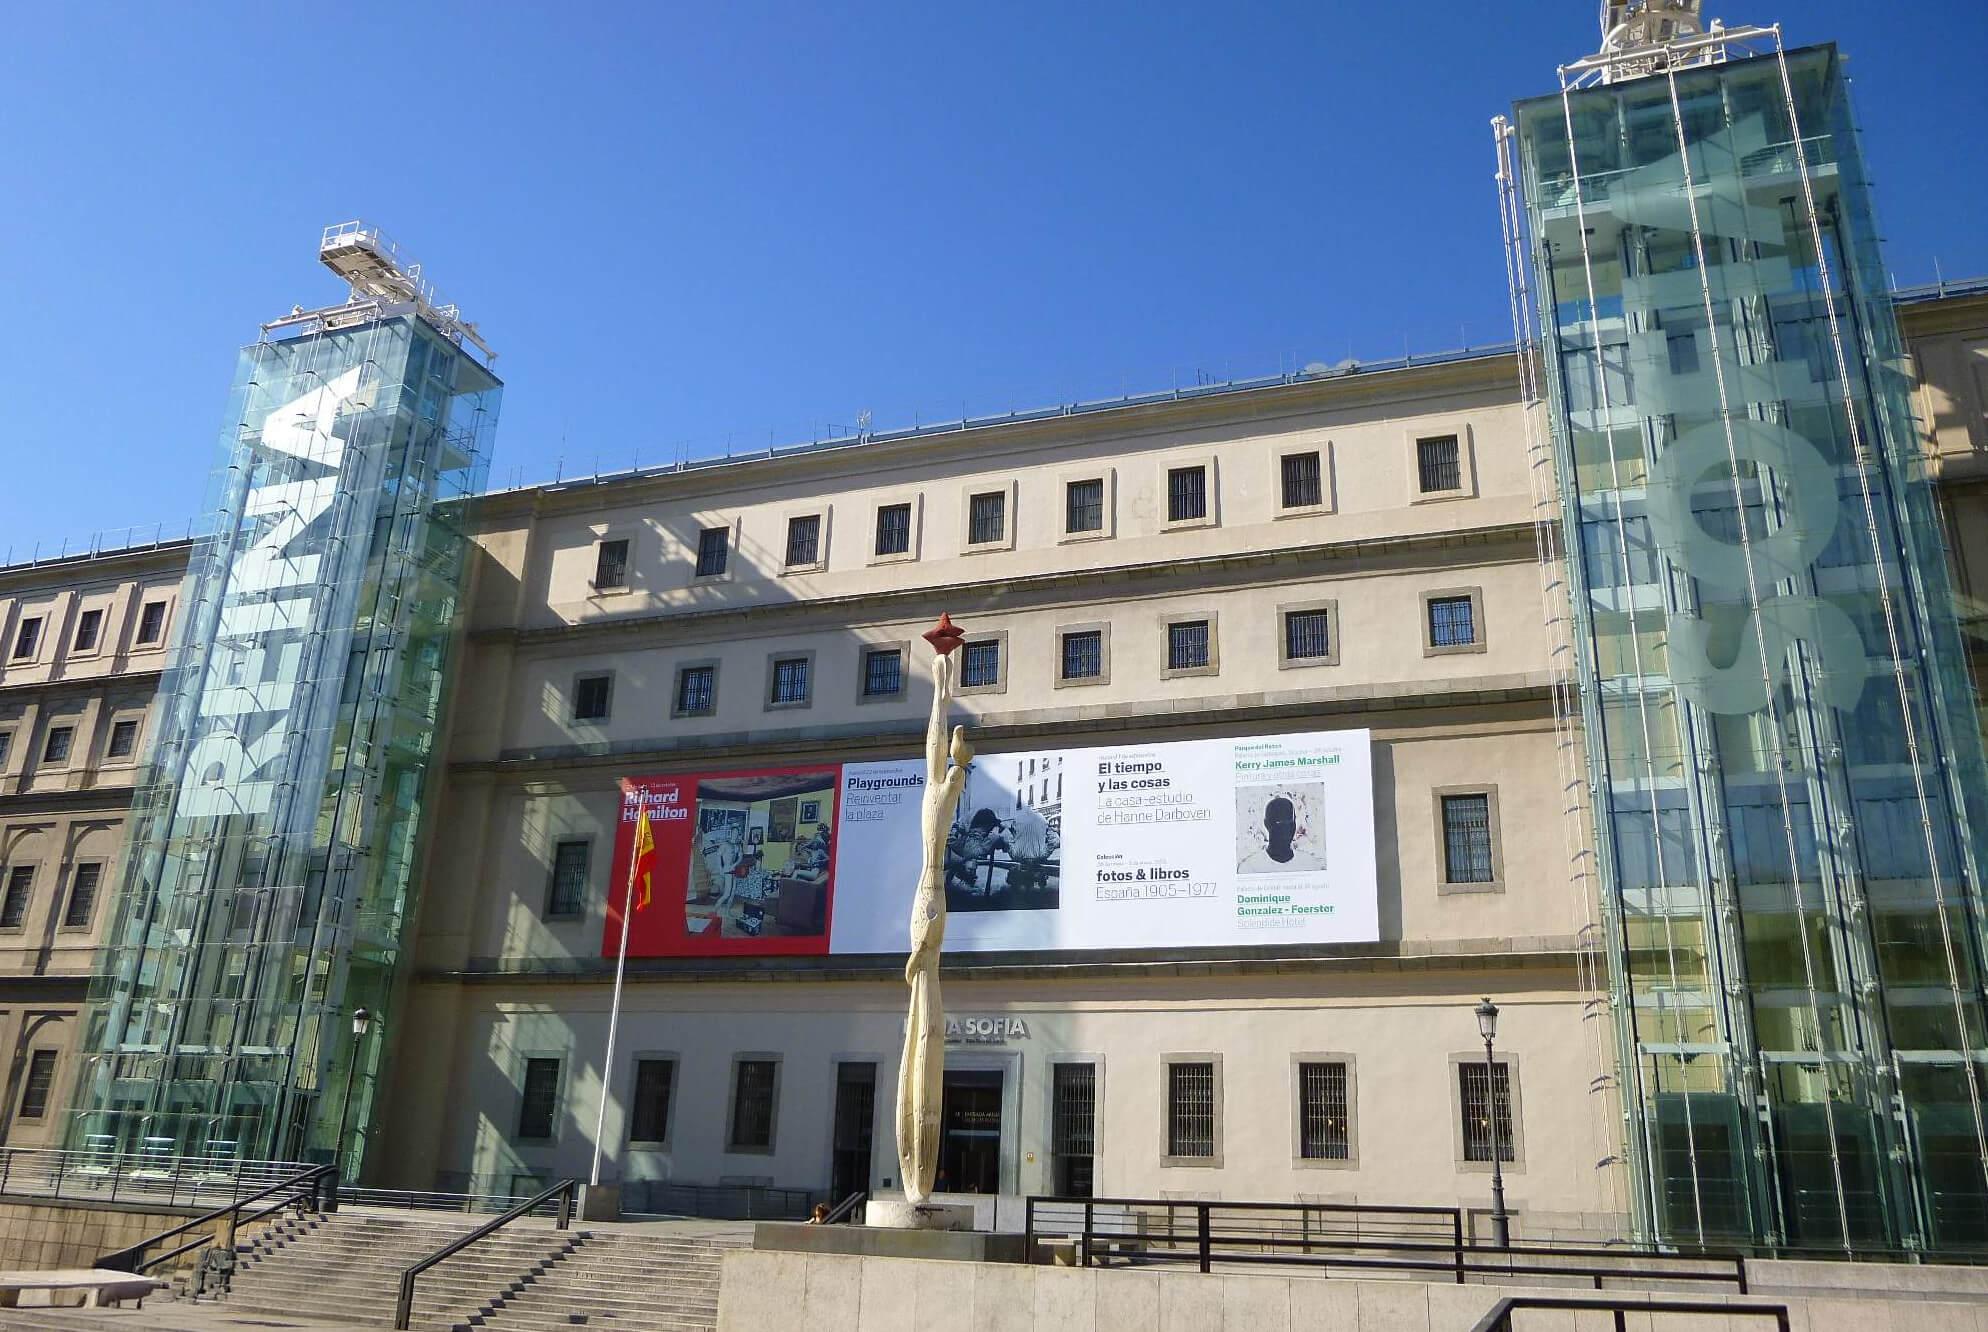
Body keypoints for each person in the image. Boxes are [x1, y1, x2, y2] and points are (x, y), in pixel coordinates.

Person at [1238, 795, 1326, 873]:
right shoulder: (1250, 868)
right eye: (1279, 823)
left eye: (1290, 823)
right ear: (1267, 824)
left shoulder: (1310, 864)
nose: (1286, 829)